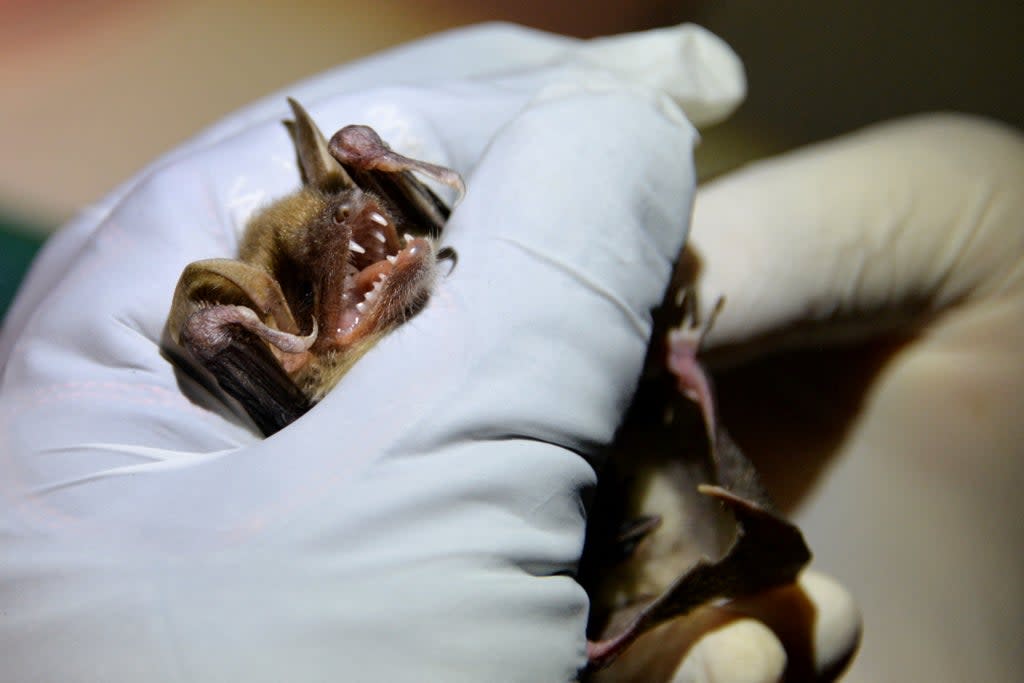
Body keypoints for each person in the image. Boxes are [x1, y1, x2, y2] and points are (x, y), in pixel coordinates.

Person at [1, 22, 1019, 682]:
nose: (376, 243)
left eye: (381, 220)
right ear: (281, 348)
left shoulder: (401, 204)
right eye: (346, 262)